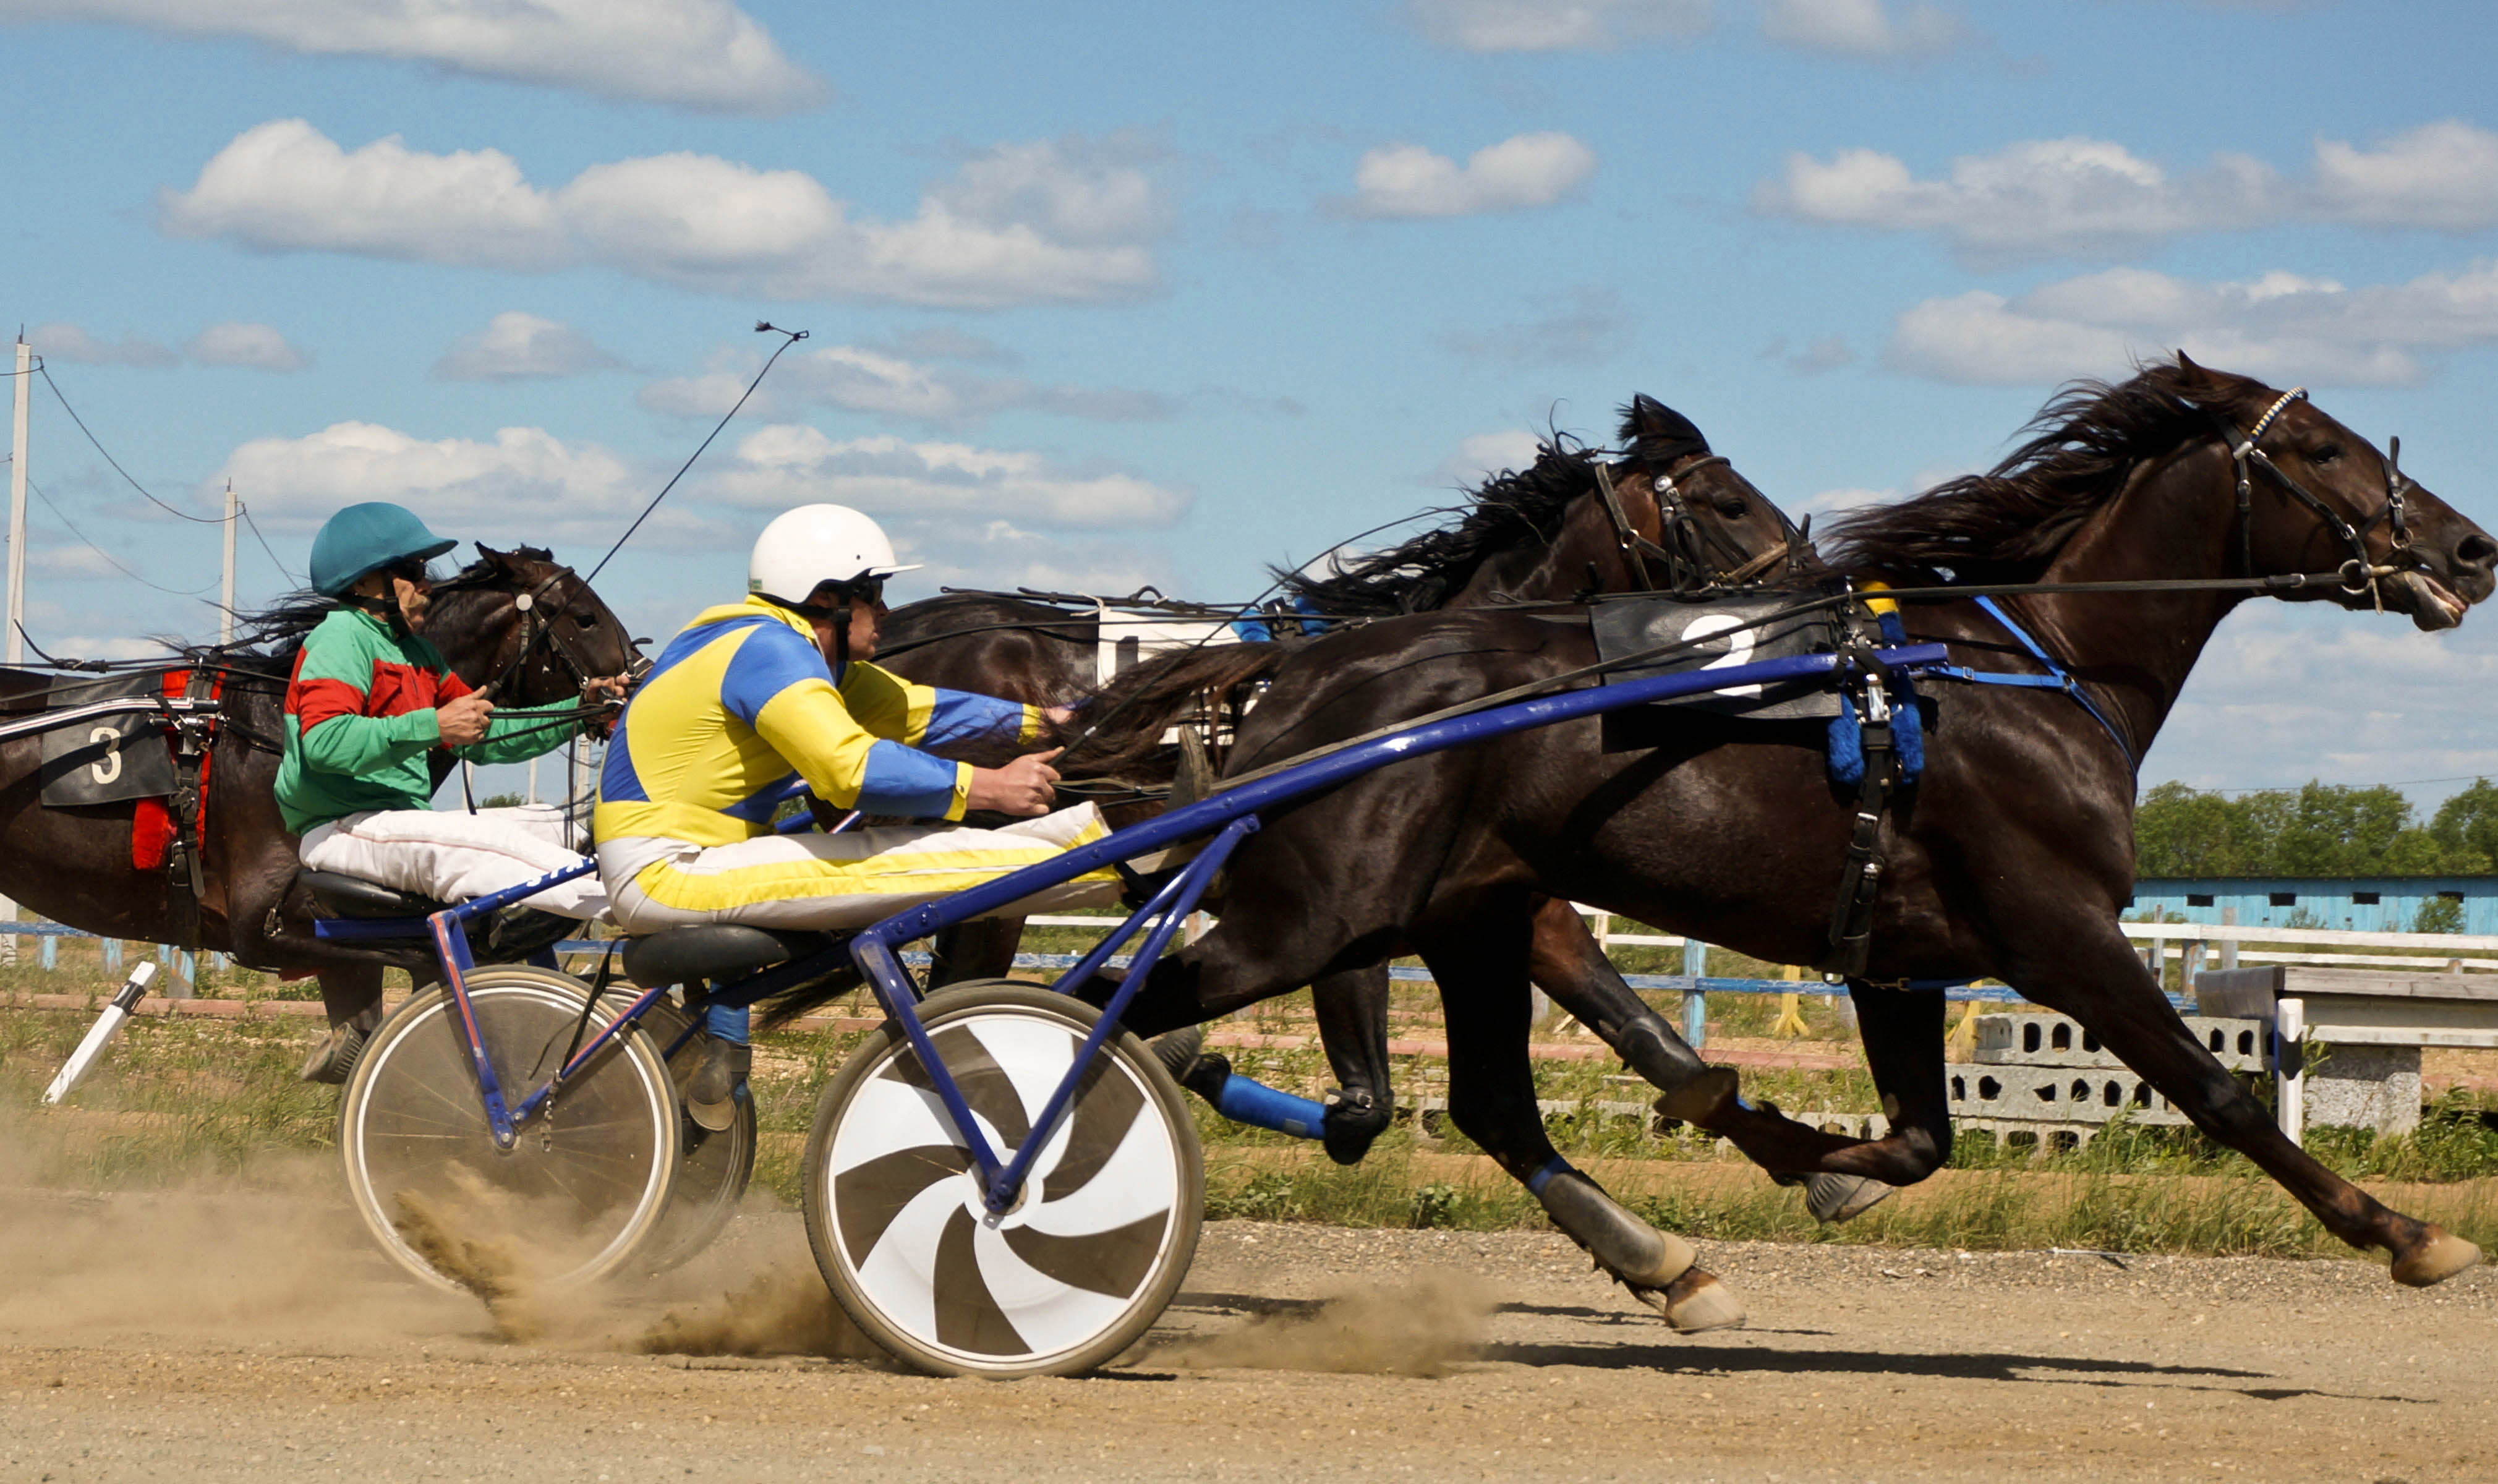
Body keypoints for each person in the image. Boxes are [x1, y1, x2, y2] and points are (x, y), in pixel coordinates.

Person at [594, 503, 1113, 1129]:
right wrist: (989, 787)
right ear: (827, 599)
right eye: (876, 595)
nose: (889, 614)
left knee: (953, 859)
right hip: (670, 872)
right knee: (991, 861)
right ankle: (1126, 859)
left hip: (695, 863)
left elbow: (920, 712)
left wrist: (1050, 722)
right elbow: (849, 771)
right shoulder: (769, 650)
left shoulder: (786, 650)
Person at [280, 501, 630, 1081]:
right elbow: (324, 741)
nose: (427, 587)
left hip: (390, 825)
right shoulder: (341, 638)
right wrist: (432, 726)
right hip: (341, 829)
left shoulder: (417, 654)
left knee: (559, 823)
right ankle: (623, 902)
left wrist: (580, 708)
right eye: (415, 573)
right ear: (369, 582)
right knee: (475, 837)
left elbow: (483, 735)